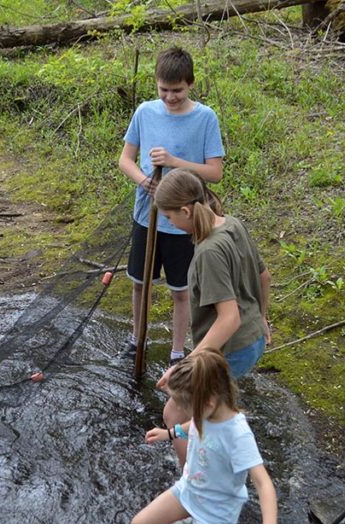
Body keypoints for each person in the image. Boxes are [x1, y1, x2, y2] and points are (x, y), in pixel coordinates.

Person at [131, 349, 279, 524]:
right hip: (189, 489)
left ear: (208, 402)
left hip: (215, 510)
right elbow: (196, 424)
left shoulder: (237, 435)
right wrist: (170, 433)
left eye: (185, 406)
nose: (180, 410)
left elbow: (263, 483)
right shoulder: (208, 411)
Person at [153, 167, 272, 469]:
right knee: (210, 406)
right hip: (254, 337)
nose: (169, 223)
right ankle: (220, 442)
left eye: (169, 218)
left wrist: (186, 365)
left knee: (173, 415)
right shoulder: (232, 224)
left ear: (185, 210)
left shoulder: (208, 251)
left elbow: (228, 320)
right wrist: (262, 318)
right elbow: (264, 276)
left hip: (232, 348)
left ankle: (192, 485)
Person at [118, 46, 225, 364]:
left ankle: (178, 353)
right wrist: (143, 180)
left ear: (190, 84)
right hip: (146, 215)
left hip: (185, 219)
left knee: (181, 290)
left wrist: (175, 162)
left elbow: (215, 173)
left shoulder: (205, 118)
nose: (169, 97)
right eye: (163, 90)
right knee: (140, 284)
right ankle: (137, 340)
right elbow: (125, 159)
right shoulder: (145, 112)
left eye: (176, 91)